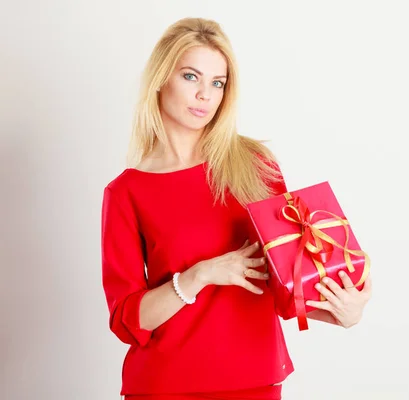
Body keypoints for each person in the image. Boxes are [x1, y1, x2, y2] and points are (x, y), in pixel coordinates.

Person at [101, 17, 372, 400]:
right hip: (164, 387)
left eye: (217, 83)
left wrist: (343, 311)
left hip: (255, 382)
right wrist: (199, 275)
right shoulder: (127, 191)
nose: (205, 95)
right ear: (162, 77)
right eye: (191, 77)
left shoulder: (256, 165)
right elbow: (128, 320)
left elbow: (283, 285)